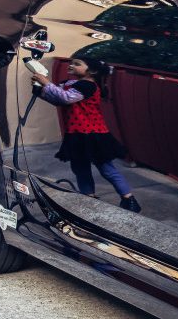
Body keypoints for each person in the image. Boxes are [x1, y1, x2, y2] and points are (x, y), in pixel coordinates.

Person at [31, 57, 141, 212]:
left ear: (92, 71)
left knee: (106, 169)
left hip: (93, 135)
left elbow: (66, 98)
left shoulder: (87, 86)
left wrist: (47, 83)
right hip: (76, 134)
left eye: (77, 64)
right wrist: (40, 90)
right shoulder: (70, 84)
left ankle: (129, 199)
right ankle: (88, 199)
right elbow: (58, 100)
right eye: (71, 62)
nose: (71, 65)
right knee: (80, 168)